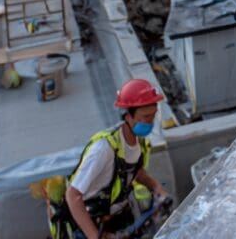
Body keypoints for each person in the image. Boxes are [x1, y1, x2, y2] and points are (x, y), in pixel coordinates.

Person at [52, 79, 168, 239]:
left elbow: (135, 172)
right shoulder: (104, 148)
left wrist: (156, 188)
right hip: (91, 223)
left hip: (116, 217)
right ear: (128, 116)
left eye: (153, 116)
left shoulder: (139, 141)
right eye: (146, 117)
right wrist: (95, 237)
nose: (150, 122)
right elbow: (72, 195)